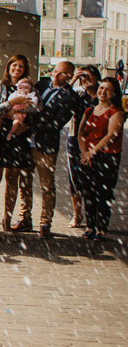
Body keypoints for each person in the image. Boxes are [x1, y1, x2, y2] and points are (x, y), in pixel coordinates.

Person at [0, 54, 39, 233]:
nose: (17, 69)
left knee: (12, 180)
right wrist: (12, 103)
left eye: (21, 67)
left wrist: (14, 113)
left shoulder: (30, 87)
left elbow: (36, 108)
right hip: (0, 138)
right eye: (14, 66)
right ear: (8, 67)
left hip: (20, 138)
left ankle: (7, 220)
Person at [26, 62, 77, 239]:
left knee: (46, 186)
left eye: (62, 74)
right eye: (55, 71)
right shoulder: (41, 84)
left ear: (69, 76)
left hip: (46, 145)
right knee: (24, 181)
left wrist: (31, 125)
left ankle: (45, 223)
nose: (56, 75)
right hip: (26, 142)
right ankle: (25, 217)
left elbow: (57, 123)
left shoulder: (70, 97)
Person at [74, 77, 123, 241]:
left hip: (107, 157)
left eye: (107, 89)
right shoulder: (89, 110)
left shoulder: (116, 112)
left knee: (103, 194)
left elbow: (111, 135)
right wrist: (84, 153)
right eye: (101, 88)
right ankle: (90, 226)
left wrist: (92, 152)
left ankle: (101, 228)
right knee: (88, 193)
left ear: (114, 93)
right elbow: (80, 133)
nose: (103, 92)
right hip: (88, 156)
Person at [66, 65, 101, 229]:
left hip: (96, 142)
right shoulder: (78, 94)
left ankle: (93, 217)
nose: (86, 79)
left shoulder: (102, 95)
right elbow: (63, 99)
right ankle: (77, 215)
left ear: (97, 77)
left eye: (89, 76)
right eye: (83, 77)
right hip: (75, 140)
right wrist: (72, 80)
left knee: (93, 180)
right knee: (75, 180)